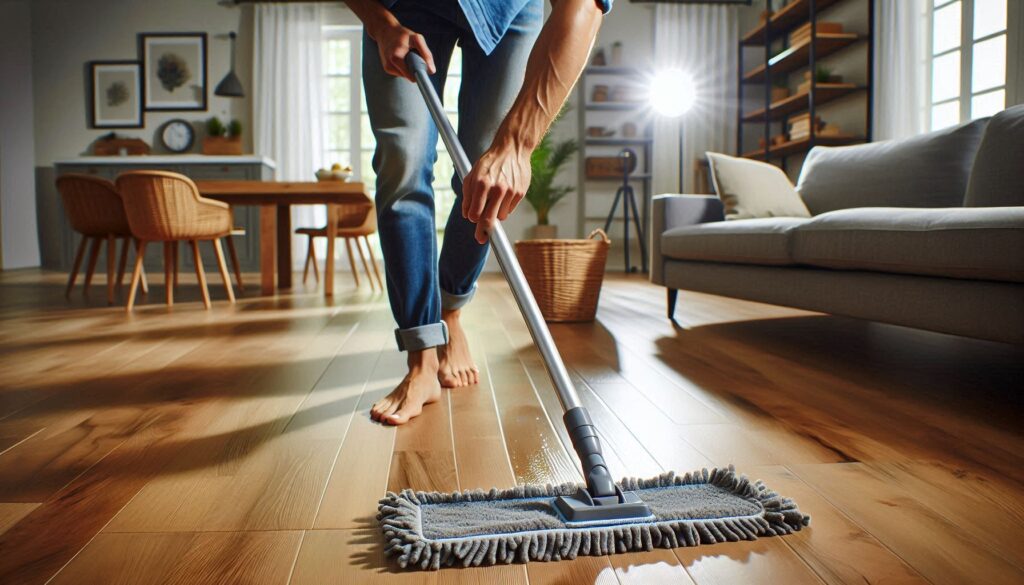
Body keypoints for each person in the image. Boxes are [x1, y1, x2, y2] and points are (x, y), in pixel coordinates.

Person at [345, 0, 609, 425]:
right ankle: (422, 358)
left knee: (485, 173)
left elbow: (585, 8)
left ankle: (451, 308)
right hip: (401, 9)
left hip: (508, 11)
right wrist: (380, 23)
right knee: (402, 161)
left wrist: (517, 146)